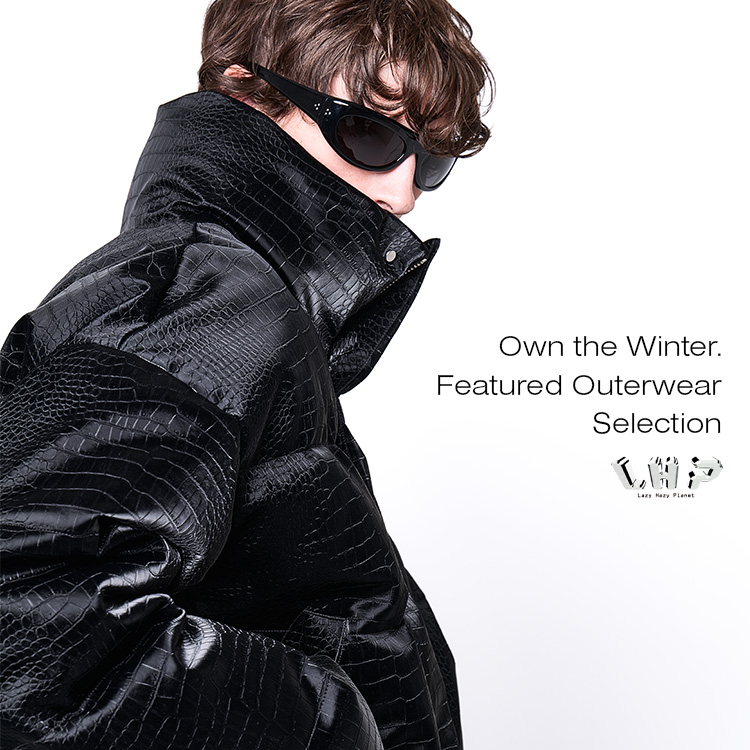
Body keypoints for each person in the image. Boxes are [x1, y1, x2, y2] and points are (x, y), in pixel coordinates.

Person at [0, 0, 492, 748]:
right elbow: (25, 627)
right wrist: (327, 725)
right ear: (245, 91)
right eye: (369, 135)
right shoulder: (207, 292)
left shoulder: (230, 293)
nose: (401, 193)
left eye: (429, 162)